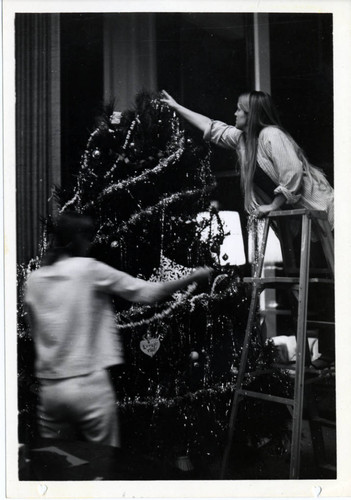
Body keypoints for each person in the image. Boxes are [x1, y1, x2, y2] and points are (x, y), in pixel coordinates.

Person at [24, 211, 212, 447]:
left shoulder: (34, 280)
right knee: (100, 460)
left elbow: (35, 333)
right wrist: (193, 277)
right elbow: (148, 293)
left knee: (58, 461)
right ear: (79, 238)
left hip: (51, 391)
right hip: (89, 386)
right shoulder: (90, 270)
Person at [160, 90, 334, 230]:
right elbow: (210, 127)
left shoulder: (271, 134)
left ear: (250, 115)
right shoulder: (243, 139)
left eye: (239, 109)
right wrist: (177, 107)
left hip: (324, 208)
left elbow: (292, 172)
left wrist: (273, 205)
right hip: (307, 220)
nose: (235, 113)